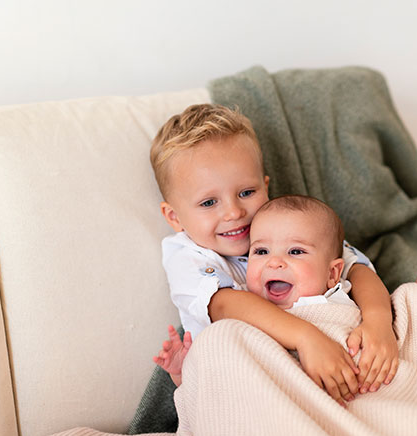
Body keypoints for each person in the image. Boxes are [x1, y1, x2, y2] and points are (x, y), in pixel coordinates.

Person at [150, 104, 401, 406]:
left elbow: (356, 269)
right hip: (250, 386)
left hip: (328, 355)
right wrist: (307, 338)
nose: (234, 212)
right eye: (208, 203)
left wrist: (377, 322)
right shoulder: (187, 254)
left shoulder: (283, 225)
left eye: (246, 193)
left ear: (265, 186)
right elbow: (227, 306)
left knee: (414, 300)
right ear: (174, 216)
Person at [159, 194, 417, 406]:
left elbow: (360, 275)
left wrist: (398, 314)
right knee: (217, 341)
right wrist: (187, 373)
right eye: (260, 253)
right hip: (294, 404)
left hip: (369, 385)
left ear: (332, 273)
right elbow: (230, 375)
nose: (275, 263)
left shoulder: (335, 289)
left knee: (411, 299)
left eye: (295, 252)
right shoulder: (250, 310)